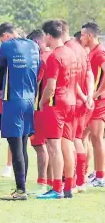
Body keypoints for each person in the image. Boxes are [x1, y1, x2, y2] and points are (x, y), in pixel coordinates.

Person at [0, 22, 40, 201]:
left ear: (5, 35)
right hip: (30, 100)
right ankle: (22, 188)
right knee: (23, 146)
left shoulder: (7, 46)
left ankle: (20, 191)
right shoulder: (33, 45)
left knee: (15, 148)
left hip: (13, 100)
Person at [37, 20, 78, 199]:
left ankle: (57, 189)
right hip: (71, 103)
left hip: (56, 105)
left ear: (48, 35)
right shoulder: (72, 53)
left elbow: (51, 87)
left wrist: (41, 101)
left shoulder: (54, 56)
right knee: (67, 146)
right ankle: (68, 187)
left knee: (54, 147)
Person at [61, 21, 94, 193]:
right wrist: (89, 96)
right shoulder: (81, 49)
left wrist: (83, 96)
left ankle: (71, 181)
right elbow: (89, 74)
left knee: (70, 140)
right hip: (83, 103)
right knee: (80, 139)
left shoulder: (68, 50)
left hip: (73, 101)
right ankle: (81, 181)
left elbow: (72, 78)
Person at [26, 29, 52, 194]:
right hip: (61, 106)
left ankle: (43, 183)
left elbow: (35, 83)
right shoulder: (57, 55)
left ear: (35, 43)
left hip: (41, 108)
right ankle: (55, 182)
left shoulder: (41, 59)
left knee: (41, 146)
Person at [81, 22, 105, 187]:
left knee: (96, 138)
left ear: (90, 36)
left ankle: (100, 177)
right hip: (91, 103)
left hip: (99, 103)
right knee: (84, 137)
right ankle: (86, 173)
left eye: (82, 35)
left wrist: (97, 93)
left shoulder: (99, 53)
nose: (81, 38)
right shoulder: (91, 52)